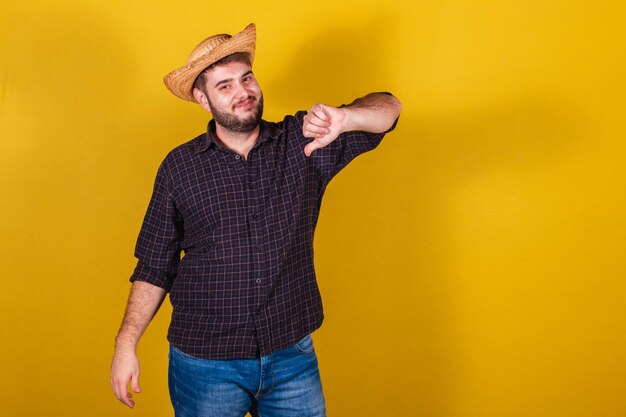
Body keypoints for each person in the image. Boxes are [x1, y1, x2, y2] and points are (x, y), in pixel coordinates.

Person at [110, 23, 401, 417]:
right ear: (202, 98)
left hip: (291, 355)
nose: (243, 92)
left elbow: (390, 108)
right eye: (225, 86)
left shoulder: (305, 143)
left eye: (246, 78)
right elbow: (154, 265)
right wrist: (126, 345)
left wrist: (346, 118)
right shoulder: (179, 167)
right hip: (205, 363)